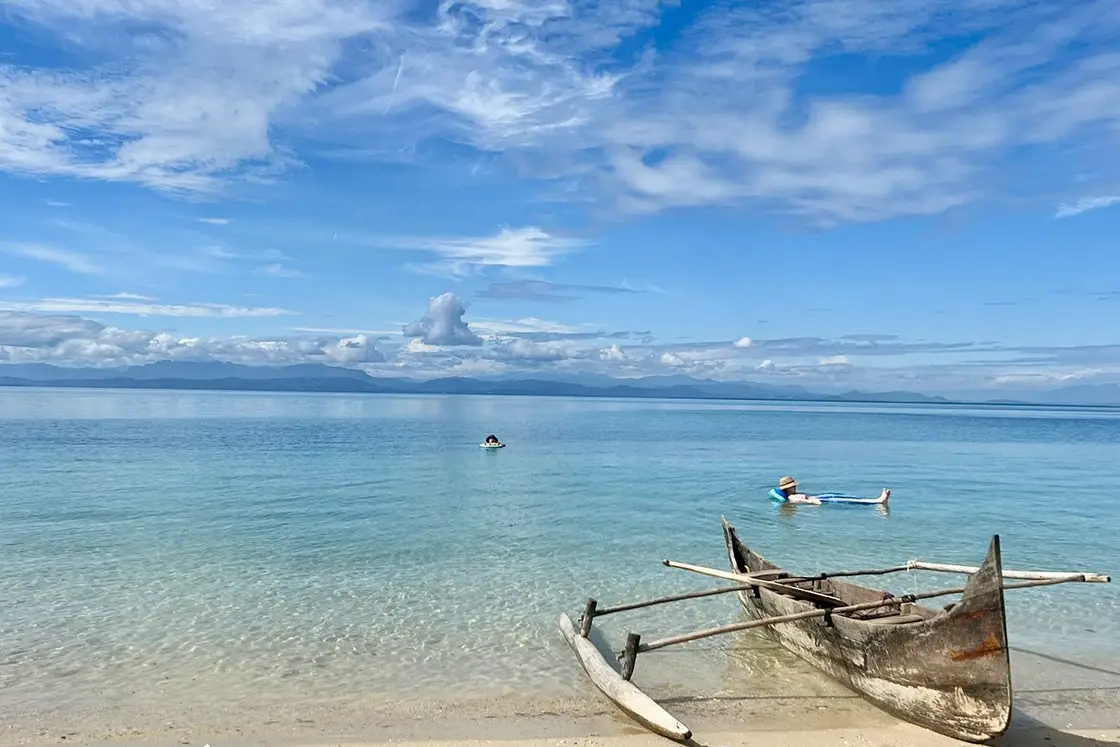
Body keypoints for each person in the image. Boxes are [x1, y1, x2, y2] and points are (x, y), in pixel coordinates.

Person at [777, 476, 890, 505]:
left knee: (848, 497)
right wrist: (813, 502)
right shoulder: (792, 497)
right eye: (792, 486)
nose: (795, 487)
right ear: (788, 488)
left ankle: (876, 500)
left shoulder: (794, 494)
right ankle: (878, 501)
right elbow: (803, 502)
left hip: (819, 497)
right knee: (847, 500)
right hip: (820, 500)